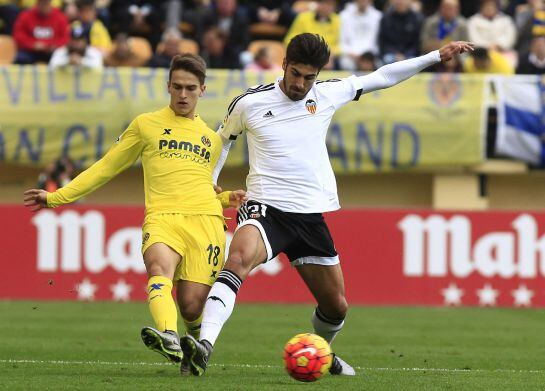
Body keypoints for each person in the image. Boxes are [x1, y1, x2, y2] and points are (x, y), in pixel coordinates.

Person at [179, 33, 474, 377]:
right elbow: (222, 142)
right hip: (265, 208)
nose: (301, 84)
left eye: (309, 77)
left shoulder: (328, 94)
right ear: (285, 65)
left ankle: (322, 351)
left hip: (309, 216)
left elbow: (382, 77)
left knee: (336, 307)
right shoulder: (249, 102)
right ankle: (205, 346)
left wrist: (436, 56)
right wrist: (210, 181)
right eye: (296, 74)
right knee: (239, 258)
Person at [23, 53, 247, 375]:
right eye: (178, 87)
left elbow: (200, 185)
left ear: (203, 90)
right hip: (162, 218)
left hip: (206, 222)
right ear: (168, 86)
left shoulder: (211, 140)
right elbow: (106, 167)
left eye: (191, 89)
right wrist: (57, 197)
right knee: (158, 268)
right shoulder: (145, 125)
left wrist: (226, 197)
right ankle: (169, 336)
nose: (183, 95)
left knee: (191, 305)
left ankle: (194, 352)